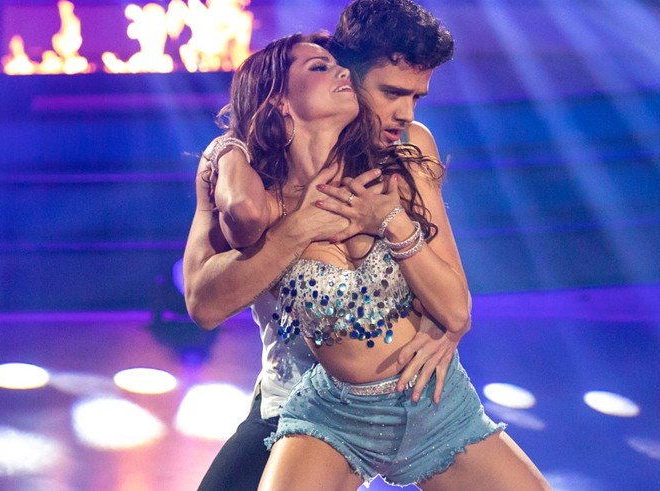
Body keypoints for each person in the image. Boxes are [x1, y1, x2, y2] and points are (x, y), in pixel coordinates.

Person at [199, 33, 549, 490]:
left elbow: (456, 306)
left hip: (433, 403)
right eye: (392, 94)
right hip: (322, 411)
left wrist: (391, 221)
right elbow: (205, 297)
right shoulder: (260, 201)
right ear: (282, 101)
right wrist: (227, 152)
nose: (406, 113)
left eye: (415, 97)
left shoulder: (400, 162)